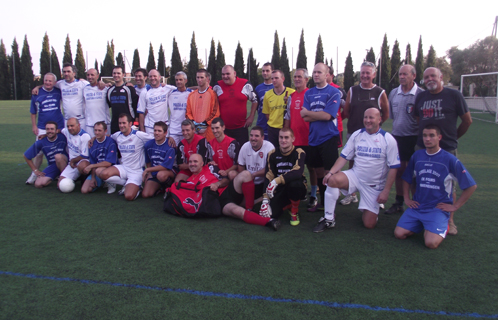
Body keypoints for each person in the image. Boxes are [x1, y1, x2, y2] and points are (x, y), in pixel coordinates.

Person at [313, 108, 399, 232]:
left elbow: (394, 168)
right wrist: (331, 172)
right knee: (332, 180)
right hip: (355, 176)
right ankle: (329, 218)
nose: (367, 120)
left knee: (369, 224)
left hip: (373, 185)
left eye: (371, 118)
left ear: (379, 119)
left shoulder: (388, 139)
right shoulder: (357, 134)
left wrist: (386, 191)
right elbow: (343, 157)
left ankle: (369, 208)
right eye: (366, 117)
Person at [394, 124, 476, 249]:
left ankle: (443, 224)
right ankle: (424, 224)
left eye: (432, 135)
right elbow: (406, 178)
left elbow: (471, 185)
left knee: (430, 243)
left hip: (437, 209)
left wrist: (455, 206)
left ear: (439, 137)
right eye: (425, 136)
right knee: (399, 234)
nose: (427, 139)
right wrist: (406, 198)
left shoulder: (449, 159)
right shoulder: (417, 156)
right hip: (418, 206)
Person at [413, 67, 472, 235]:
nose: (430, 79)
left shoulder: (454, 95)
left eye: (433, 76)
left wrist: (452, 138)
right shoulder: (421, 97)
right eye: (426, 77)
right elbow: (418, 119)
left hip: (446, 148)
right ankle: (419, 213)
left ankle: (450, 220)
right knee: (418, 181)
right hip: (422, 146)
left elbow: (467, 121)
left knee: (448, 185)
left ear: (441, 77)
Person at [164, 154, 280, 230]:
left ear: (201, 163)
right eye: (190, 162)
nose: (192, 164)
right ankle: (268, 221)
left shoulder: (210, 168)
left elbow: (225, 180)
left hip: (227, 191)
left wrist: (217, 184)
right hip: (219, 204)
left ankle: (250, 208)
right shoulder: (188, 182)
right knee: (237, 212)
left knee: (245, 174)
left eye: (195, 161)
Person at [341, 61, 389, 206]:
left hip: (373, 135)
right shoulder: (352, 90)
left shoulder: (380, 92)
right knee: (352, 162)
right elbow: (347, 111)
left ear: (374, 74)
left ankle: (376, 195)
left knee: (374, 164)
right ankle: (352, 194)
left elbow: (385, 114)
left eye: (368, 73)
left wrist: (374, 127)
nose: (365, 75)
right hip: (354, 133)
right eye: (363, 72)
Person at [300, 63, 342, 212]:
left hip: (328, 138)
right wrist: (321, 115)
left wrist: (313, 114)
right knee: (318, 172)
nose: (316, 75)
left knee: (329, 174)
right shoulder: (308, 93)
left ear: (327, 75)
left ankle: (330, 207)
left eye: (319, 72)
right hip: (313, 139)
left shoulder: (334, 92)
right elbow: (304, 117)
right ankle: (323, 203)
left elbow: (328, 115)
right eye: (314, 72)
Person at [385, 64, 424, 214]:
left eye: (405, 74)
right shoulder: (394, 93)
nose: (402, 77)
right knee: (399, 171)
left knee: (415, 173)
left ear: (413, 76)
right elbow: (393, 116)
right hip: (398, 138)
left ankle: (416, 204)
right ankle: (399, 202)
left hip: (415, 138)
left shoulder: (421, 94)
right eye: (400, 74)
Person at [283, 68, 318, 211]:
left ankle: (314, 195)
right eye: (295, 77)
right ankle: (299, 192)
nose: (296, 79)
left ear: (306, 79)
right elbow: (287, 116)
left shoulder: (311, 94)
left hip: (309, 139)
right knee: (296, 168)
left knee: (312, 168)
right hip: (294, 140)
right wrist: (285, 133)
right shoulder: (291, 96)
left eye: (299, 77)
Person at [259, 128, 307, 226]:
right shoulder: (272, 154)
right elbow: (268, 175)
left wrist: (276, 181)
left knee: (295, 184)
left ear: (293, 139)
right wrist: (265, 200)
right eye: (281, 137)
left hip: (297, 187)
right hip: (279, 189)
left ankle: (294, 211)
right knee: (272, 214)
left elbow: (297, 171)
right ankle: (288, 204)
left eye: (286, 137)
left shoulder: (299, 152)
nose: (283, 140)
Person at [100, 113, 152, 201]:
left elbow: (155, 138)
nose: (121, 125)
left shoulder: (139, 135)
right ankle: (126, 183)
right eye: (120, 123)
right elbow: (107, 137)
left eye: (124, 123)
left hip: (136, 171)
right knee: (103, 174)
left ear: (130, 124)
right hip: (123, 167)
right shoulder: (117, 135)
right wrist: (93, 138)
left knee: (128, 196)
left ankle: (137, 187)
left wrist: (169, 138)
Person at [26, 73, 64, 185]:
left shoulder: (58, 91)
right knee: (39, 153)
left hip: (59, 126)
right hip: (42, 127)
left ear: (54, 82)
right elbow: (33, 112)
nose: (48, 83)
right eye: (46, 80)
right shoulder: (36, 93)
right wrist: (34, 126)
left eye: (50, 81)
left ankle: (62, 173)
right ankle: (34, 174)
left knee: (62, 149)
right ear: (43, 81)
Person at [213, 65, 258, 147]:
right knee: (226, 154)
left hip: (241, 127)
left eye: (227, 74)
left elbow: (255, 100)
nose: (225, 76)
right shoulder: (217, 86)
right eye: (223, 74)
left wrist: (251, 116)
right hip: (223, 128)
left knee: (241, 154)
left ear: (234, 73)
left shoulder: (245, 84)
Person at [33, 63, 90, 128]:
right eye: (64, 72)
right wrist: (38, 87)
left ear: (74, 73)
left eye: (68, 71)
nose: (66, 74)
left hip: (80, 120)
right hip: (67, 120)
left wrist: (101, 83)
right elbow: (49, 84)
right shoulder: (60, 83)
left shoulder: (82, 83)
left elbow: (93, 85)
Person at [236, 126, 275, 210]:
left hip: (263, 181)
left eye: (256, 136)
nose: (253, 138)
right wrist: (245, 178)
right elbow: (240, 165)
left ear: (262, 138)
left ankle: (260, 201)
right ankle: (251, 202)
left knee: (272, 181)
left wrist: (254, 174)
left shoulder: (269, 147)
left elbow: (271, 169)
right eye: (251, 135)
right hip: (249, 182)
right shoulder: (245, 146)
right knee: (233, 174)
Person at [23, 121, 68, 188]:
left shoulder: (63, 137)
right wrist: (35, 170)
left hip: (65, 163)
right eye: (47, 129)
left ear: (56, 130)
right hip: (53, 165)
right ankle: (55, 175)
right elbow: (26, 156)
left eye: (52, 129)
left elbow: (70, 131)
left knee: (58, 157)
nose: (50, 131)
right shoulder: (41, 142)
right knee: (38, 184)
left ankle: (63, 178)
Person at [80, 121, 118, 194]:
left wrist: (91, 166)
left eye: (99, 130)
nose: (97, 133)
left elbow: (108, 163)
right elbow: (93, 162)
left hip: (110, 169)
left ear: (105, 131)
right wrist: (93, 178)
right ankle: (103, 182)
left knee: (100, 169)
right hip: (97, 171)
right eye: (95, 130)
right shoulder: (91, 144)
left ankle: (111, 182)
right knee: (85, 190)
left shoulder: (111, 142)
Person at [142, 121, 176, 198]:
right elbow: (148, 161)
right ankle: (161, 188)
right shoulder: (148, 144)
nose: (156, 133)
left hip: (168, 171)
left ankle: (169, 185)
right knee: (145, 194)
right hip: (155, 172)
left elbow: (166, 166)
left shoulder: (170, 146)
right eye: (155, 130)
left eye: (159, 131)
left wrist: (148, 170)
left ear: (165, 133)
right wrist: (150, 173)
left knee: (161, 175)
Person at [262, 70, 295, 148]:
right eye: (272, 78)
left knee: (287, 150)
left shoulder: (292, 92)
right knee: (274, 151)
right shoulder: (268, 94)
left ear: (283, 79)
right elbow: (267, 113)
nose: (274, 80)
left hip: (287, 128)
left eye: (276, 78)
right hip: (272, 129)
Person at [137, 69, 176, 134]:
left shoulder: (166, 88)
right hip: (150, 127)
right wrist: (142, 130)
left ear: (159, 77)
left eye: (155, 76)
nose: (152, 78)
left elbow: (180, 89)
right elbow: (141, 113)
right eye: (151, 76)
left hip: (164, 126)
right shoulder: (144, 92)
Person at [186, 69, 220, 141]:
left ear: (207, 78)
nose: (199, 79)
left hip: (208, 131)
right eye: (197, 77)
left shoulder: (212, 94)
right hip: (195, 130)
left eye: (202, 77)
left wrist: (205, 123)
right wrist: (193, 122)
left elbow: (215, 112)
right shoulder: (191, 95)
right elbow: (188, 112)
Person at [58, 118, 92, 189]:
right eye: (68, 126)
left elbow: (84, 156)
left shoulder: (85, 136)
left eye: (72, 126)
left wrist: (73, 160)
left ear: (78, 125)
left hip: (83, 161)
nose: (70, 128)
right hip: (72, 163)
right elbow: (58, 130)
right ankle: (76, 177)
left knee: (82, 166)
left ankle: (84, 178)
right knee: (60, 185)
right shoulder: (67, 131)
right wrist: (45, 135)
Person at [107, 66, 139, 134]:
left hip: (129, 124)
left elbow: (136, 107)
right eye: (114, 73)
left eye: (118, 73)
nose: (116, 75)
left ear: (123, 75)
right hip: (115, 125)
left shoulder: (129, 89)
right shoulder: (109, 90)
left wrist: (136, 124)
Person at [167, 71, 193, 145]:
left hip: (186, 129)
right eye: (176, 80)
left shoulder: (191, 93)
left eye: (180, 79)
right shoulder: (170, 93)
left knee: (186, 151)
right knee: (173, 151)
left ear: (185, 80)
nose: (178, 82)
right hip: (173, 130)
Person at [83, 68, 110, 138]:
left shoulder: (104, 88)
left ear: (97, 76)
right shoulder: (84, 89)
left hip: (103, 123)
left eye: (92, 75)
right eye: (88, 75)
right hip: (90, 124)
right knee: (91, 145)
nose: (90, 77)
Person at [326, 65, 347, 148]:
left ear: (332, 76)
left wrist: (339, 117)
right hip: (320, 128)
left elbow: (347, 109)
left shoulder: (339, 91)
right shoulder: (315, 90)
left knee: (334, 154)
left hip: (335, 127)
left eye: (326, 73)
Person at [254, 62, 274, 140]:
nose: (265, 73)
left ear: (273, 71)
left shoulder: (278, 87)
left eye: (267, 71)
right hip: (261, 123)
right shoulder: (258, 88)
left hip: (274, 124)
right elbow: (256, 105)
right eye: (263, 71)